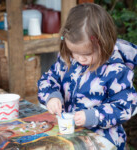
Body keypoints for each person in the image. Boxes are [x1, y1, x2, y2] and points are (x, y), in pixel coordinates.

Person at [37, 3, 137, 150]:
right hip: (70, 136)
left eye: (87, 54)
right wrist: (51, 96)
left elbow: (124, 106)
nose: (79, 59)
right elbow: (48, 79)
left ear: (104, 44)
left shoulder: (116, 70)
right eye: (73, 52)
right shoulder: (68, 60)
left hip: (104, 141)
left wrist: (93, 116)